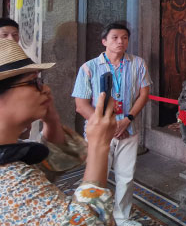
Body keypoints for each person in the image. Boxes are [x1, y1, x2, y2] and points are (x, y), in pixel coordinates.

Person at [0, 38, 117, 225]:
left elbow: (49, 166)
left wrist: (52, 121)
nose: (46, 89)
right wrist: (99, 145)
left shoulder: (10, 156)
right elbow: (86, 222)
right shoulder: (10, 180)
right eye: (33, 82)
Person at [72, 22, 151, 226]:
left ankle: (122, 218)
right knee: (97, 177)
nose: (120, 42)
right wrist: (109, 126)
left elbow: (144, 94)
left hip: (129, 128)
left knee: (126, 176)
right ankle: (93, 217)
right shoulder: (89, 68)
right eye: (115, 37)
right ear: (104, 41)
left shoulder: (138, 64)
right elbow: (81, 105)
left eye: (124, 38)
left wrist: (127, 119)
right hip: (99, 134)